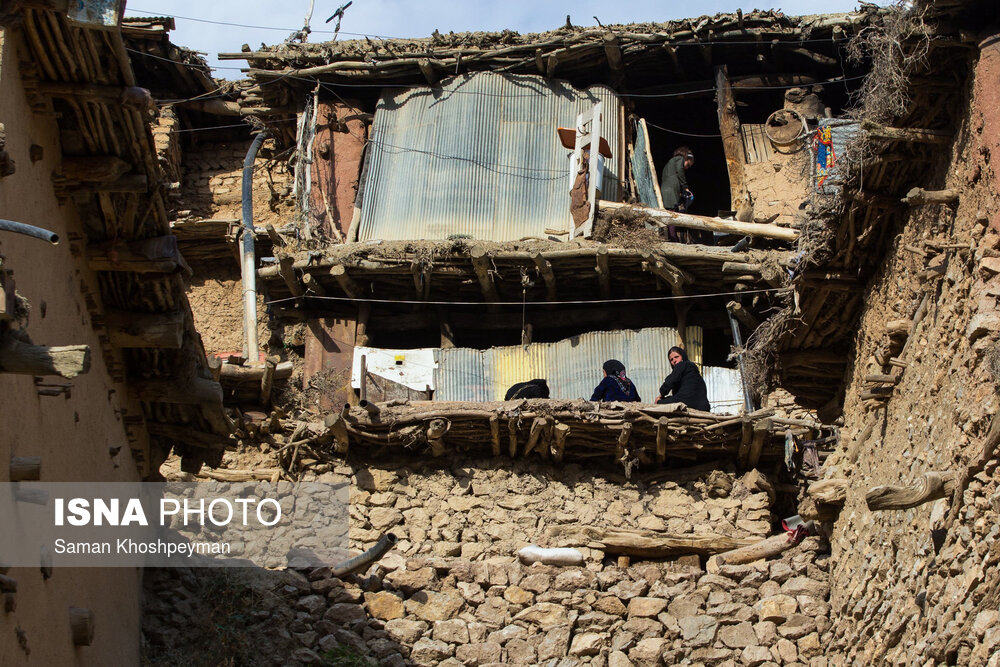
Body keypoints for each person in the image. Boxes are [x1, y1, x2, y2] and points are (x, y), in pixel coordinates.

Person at [656, 346, 710, 411]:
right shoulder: (693, 372)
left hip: (687, 403)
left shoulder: (683, 364)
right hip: (704, 407)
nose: (674, 361)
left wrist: (660, 395)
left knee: (660, 402)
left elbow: (670, 382)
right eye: (671, 359)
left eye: (676, 357)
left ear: (683, 357)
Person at [660, 147, 695, 242]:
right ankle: (673, 237)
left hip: (666, 189)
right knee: (672, 214)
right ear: (686, 159)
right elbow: (680, 171)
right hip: (671, 190)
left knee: (670, 212)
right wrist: (685, 187)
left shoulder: (670, 163)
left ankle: (672, 236)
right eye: (688, 165)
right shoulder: (679, 159)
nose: (687, 168)